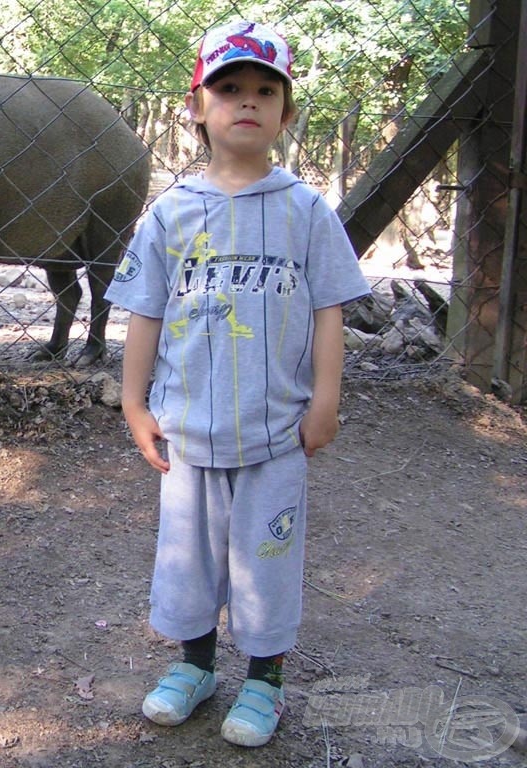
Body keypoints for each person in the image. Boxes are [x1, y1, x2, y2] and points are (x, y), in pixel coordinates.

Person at [105, 19, 370, 748]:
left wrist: (326, 401)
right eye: (229, 89)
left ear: (285, 113)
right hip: (188, 430)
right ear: (197, 106)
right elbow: (144, 314)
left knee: (266, 557)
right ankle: (195, 666)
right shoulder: (170, 214)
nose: (246, 102)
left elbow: (328, 310)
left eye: (264, 90)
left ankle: (264, 679)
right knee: (187, 558)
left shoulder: (305, 211)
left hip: (276, 430)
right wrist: (133, 402)